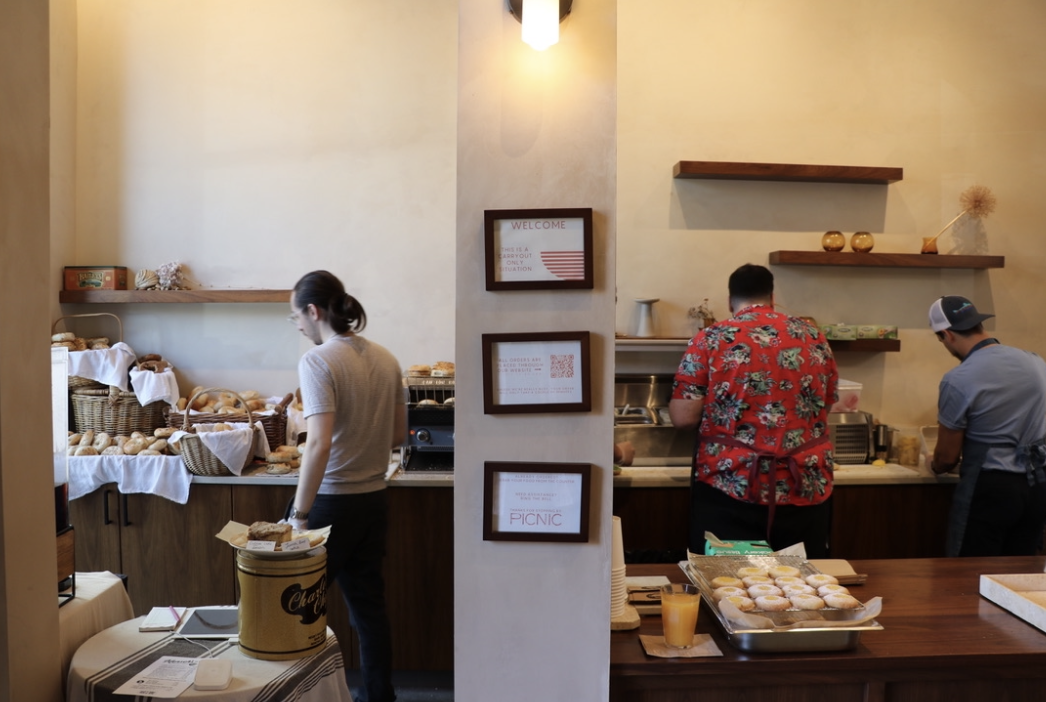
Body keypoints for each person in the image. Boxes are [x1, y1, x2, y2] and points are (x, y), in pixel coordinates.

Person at [287, 270, 406, 702]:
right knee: (369, 611)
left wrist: (299, 516)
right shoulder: (387, 359)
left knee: (294, 608)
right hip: (373, 501)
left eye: (296, 315)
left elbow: (318, 444)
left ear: (313, 311)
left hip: (330, 505)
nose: (297, 324)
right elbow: (397, 435)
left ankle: (295, 695)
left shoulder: (318, 361)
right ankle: (379, 696)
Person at [668, 263, 839, 557]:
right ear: (772, 297)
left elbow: (683, 417)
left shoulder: (711, 338)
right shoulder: (814, 337)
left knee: (730, 587)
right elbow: (828, 401)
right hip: (804, 486)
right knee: (801, 589)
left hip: (732, 485)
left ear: (730, 300)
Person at [928, 295, 1046, 557]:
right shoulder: (1036, 362)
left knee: (969, 578)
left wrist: (932, 464)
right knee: (1018, 579)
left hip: (991, 489)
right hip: (1037, 485)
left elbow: (946, 458)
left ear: (946, 335)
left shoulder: (958, 379)